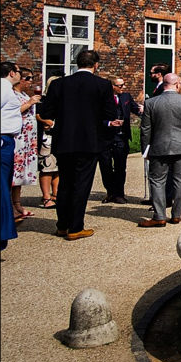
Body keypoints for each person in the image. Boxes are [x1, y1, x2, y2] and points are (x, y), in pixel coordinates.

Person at [37, 49, 118, 241]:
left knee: (65, 182)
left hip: (64, 140)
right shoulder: (102, 85)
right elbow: (110, 114)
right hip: (89, 141)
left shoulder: (59, 84)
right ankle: (75, 227)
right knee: (81, 184)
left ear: (77, 63)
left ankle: (62, 225)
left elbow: (46, 111)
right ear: (96, 65)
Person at [137, 72, 181, 227]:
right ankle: (176, 215)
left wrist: (145, 150)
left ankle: (159, 215)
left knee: (157, 180)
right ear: (177, 84)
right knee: (180, 181)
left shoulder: (151, 103)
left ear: (164, 84)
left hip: (159, 146)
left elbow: (145, 130)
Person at [98, 75, 138, 204]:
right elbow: (95, 118)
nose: (123, 87)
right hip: (105, 138)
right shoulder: (102, 98)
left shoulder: (126, 97)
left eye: (123, 84)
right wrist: (109, 123)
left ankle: (120, 194)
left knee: (121, 167)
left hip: (121, 137)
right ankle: (110, 192)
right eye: (120, 85)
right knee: (106, 167)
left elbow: (136, 109)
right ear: (112, 86)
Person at [10, 68, 41, 223]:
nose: (30, 81)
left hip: (27, 140)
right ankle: (10, 207)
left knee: (20, 174)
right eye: (28, 78)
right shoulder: (11, 95)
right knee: (13, 174)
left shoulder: (23, 94)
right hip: (17, 139)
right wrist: (30, 103)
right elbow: (13, 112)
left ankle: (18, 204)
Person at [1, 63, 25, 248]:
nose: (21, 76)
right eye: (19, 72)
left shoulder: (7, 88)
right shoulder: (3, 87)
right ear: (11, 73)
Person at [36, 75, 61, 209]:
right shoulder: (43, 100)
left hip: (59, 137)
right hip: (47, 138)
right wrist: (45, 121)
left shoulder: (62, 100)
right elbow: (37, 115)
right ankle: (46, 196)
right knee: (47, 168)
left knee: (57, 168)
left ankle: (56, 194)